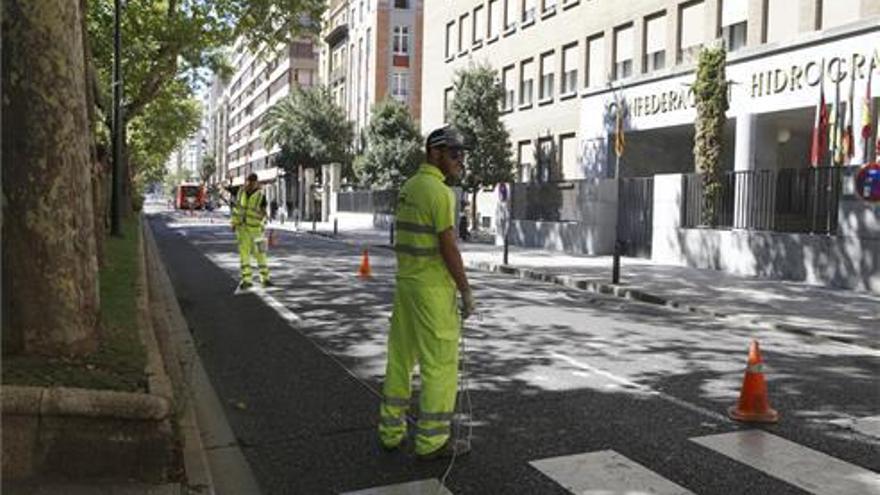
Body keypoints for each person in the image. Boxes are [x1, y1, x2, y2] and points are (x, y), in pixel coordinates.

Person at [377, 126, 476, 461]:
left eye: (461, 154)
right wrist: (465, 291)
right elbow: (448, 247)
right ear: (435, 153)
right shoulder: (438, 193)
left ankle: (390, 432)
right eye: (454, 153)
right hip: (432, 291)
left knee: (400, 360)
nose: (460, 160)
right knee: (440, 365)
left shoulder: (409, 187)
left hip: (406, 286)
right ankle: (432, 442)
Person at [231, 173, 271, 289]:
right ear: (246, 181)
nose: (250, 184)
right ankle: (247, 280)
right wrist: (233, 223)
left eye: (252, 182)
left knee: (261, 255)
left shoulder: (261, 196)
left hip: (257, 230)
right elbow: (236, 209)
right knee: (244, 257)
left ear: (256, 182)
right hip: (242, 230)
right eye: (248, 181)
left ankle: (265, 279)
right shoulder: (240, 194)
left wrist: (262, 217)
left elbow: (264, 212)